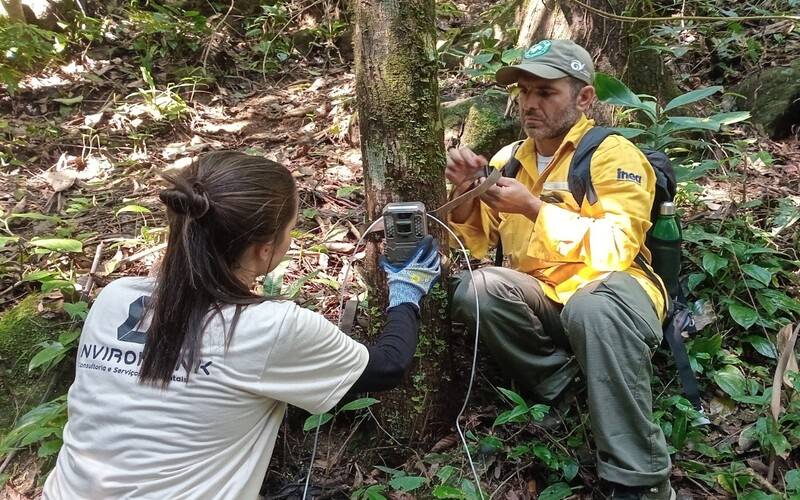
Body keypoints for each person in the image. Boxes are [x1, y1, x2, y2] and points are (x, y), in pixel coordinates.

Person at [43, 151, 441, 499]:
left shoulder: (114, 297)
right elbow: (387, 366)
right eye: (289, 230)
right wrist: (406, 293)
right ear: (265, 250)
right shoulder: (268, 327)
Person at [446, 39, 674, 500]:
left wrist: (533, 208)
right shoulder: (509, 158)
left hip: (614, 295)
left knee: (593, 308)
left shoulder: (612, 155)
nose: (530, 104)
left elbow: (617, 248)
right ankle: (561, 385)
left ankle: (641, 481)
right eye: (525, 92)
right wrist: (469, 189)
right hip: (545, 299)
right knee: (477, 288)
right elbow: (475, 242)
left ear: (584, 97)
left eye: (546, 92)